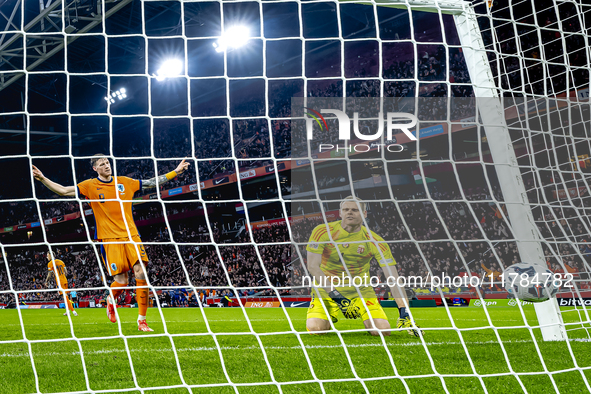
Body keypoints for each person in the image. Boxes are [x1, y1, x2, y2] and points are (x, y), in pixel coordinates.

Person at [33, 154, 190, 332]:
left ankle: (142, 320)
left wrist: (175, 172)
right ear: (95, 169)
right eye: (102, 164)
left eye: (107, 162)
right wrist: (43, 179)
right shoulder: (89, 186)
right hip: (108, 239)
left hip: (131, 236)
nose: (107, 166)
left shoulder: (125, 182)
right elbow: (63, 190)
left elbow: (150, 182)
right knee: (122, 280)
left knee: (141, 273)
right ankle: (110, 299)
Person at [305, 196, 422, 337]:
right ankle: (327, 316)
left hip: (361, 291)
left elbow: (393, 278)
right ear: (340, 213)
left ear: (364, 214)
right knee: (315, 328)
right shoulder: (322, 232)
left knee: (383, 331)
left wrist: (404, 311)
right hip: (326, 291)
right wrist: (337, 297)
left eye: (355, 210)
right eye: (346, 209)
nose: (350, 213)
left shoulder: (375, 241)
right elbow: (313, 267)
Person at [45, 251, 78, 317]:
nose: (47, 257)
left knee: (65, 297)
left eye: (47, 255)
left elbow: (49, 274)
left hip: (59, 282)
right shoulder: (61, 261)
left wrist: (46, 281)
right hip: (65, 280)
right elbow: (66, 272)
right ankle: (67, 311)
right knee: (66, 296)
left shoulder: (50, 263)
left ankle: (73, 311)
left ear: (51, 255)